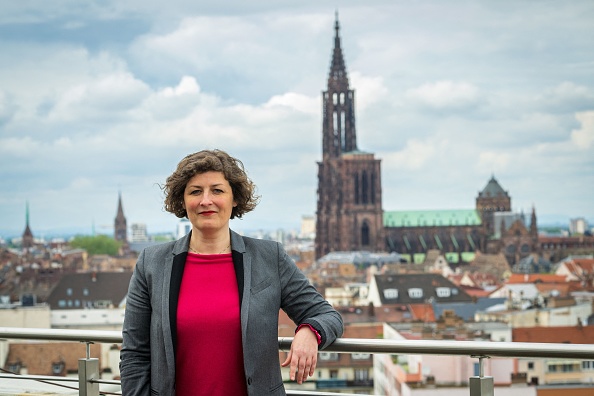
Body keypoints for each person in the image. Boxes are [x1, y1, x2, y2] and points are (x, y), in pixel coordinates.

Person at [120, 149, 343, 396]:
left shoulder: (269, 257)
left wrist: (309, 332)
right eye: (195, 191)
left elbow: (326, 315)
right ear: (182, 201)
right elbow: (134, 354)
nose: (206, 200)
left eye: (217, 190)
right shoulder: (152, 263)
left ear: (235, 198)